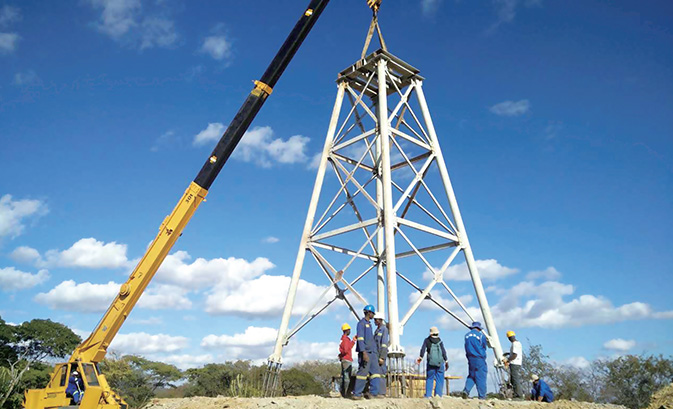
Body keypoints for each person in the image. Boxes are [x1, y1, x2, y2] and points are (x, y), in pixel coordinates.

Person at [352, 304, 381, 400]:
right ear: (368, 313)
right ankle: (357, 394)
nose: (373, 315)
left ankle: (373, 393)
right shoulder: (361, 323)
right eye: (372, 313)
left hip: (372, 353)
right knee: (362, 373)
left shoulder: (369, 325)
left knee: (376, 373)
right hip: (365, 352)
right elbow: (360, 339)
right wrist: (363, 352)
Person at [416, 326, 449, 398]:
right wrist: (446, 361)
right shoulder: (440, 341)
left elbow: (423, 350)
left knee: (430, 378)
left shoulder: (427, 340)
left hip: (430, 363)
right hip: (440, 363)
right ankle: (438, 395)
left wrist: (420, 358)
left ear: (431, 333)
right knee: (440, 379)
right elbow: (443, 352)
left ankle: (428, 395)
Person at [462, 321, 487, 399]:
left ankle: (466, 390)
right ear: (479, 328)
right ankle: (482, 396)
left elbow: (466, 346)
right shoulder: (481, 336)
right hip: (479, 358)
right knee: (481, 377)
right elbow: (484, 346)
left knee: (472, 375)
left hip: (470, 358)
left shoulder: (466, 336)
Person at [503, 330, 523, 399]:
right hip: (517, 363)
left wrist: (507, 360)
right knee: (513, 379)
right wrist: (508, 354)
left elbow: (515, 355)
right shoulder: (518, 343)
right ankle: (516, 394)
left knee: (515, 380)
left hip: (515, 363)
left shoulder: (514, 344)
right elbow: (515, 353)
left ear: (509, 338)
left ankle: (519, 395)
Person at [338, 323, 356, 397]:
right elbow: (346, 350)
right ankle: (346, 393)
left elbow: (348, 348)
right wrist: (342, 355)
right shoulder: (345, 340)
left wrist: (353, 341)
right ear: (347, 330)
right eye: (349, 330)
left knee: (345, 376)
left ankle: (343, 392)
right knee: (347, 377)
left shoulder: (344, 339)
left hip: (345, 359)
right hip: (347, 360)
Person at [374, 312, 389, 396]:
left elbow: (384, 344)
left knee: (382, 373)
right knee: (376, 374)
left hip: (380, 355)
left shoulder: (384, 329)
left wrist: (382, 357)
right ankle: (377, 392)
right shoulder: (377, 330)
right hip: (376, 355)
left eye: (376, 319)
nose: (374, 321)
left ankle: (382, 392)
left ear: (380, 320)